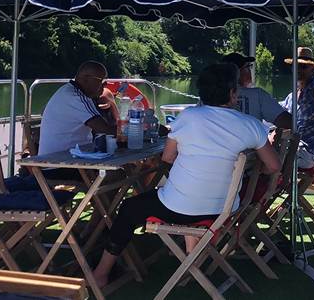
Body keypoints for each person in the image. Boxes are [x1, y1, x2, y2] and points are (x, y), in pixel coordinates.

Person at [92, 63, 281, 286]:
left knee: (129, 209)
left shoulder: (188, 117)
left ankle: (101, 274)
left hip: (178, 208)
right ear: (232, 94)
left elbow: (167, 159)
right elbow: (273, 166)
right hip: (224, 210)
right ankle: (192, 256)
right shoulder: (250, 125)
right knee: (176, 194)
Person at [38, 61, 116, 155]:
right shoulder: (77, 97)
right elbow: (104, 129)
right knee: (119, 160)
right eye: (102, 81)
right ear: (86, 79)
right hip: (60, 163)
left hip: (64, 158)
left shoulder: (68, 91)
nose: (105, 85)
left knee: (119, 164)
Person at [221, 52, 293, 129]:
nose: (250, 70)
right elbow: (288, 122)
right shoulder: (258, 95)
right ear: (238, 72)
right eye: (248, 67)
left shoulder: (212, 97)